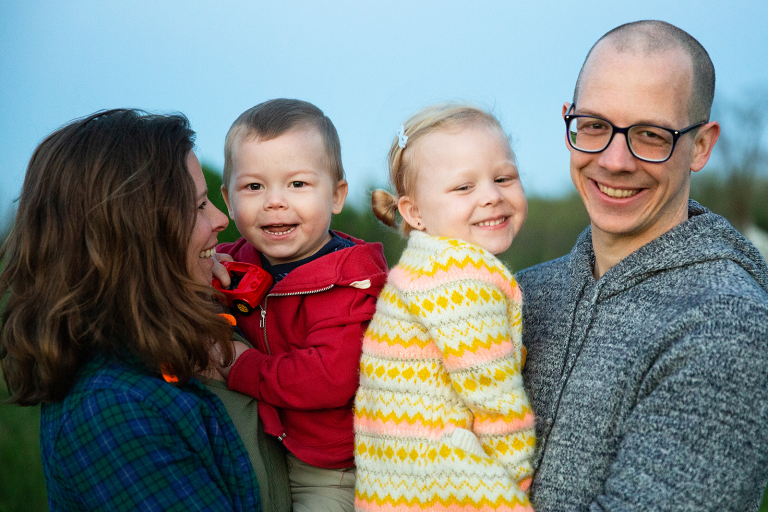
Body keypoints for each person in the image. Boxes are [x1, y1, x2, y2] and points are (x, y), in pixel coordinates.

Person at [518, 20, 768, 511]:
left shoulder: (727, 325)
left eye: (650, 135)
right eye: (593, 126)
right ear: (568, 121)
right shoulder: (520, 295)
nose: (613, 161)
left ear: (701, 146)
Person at [0, 109, 267, 511]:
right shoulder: (113, 411)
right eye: (196, 207)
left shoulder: (187, 333)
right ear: (136, 235)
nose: (219, 219)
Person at [354, 103, 536, 511]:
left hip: (395, 488)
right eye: (463, 187)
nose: (492, 196)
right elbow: (498, 404)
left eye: (503, 178)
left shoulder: (419, 270)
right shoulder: (462, 283)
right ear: (414, 212)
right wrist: (516, 485)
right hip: (456, 486)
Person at [214, 98, 388, 512]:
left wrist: (239, 366)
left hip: (332, 465)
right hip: (266, 445)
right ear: (228, 199)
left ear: (337, 195)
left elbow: (328, 378)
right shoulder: (234, 261)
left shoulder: (347, 283)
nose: (275, 201)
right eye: (254, 186)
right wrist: (200, 273)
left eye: (297, 184)